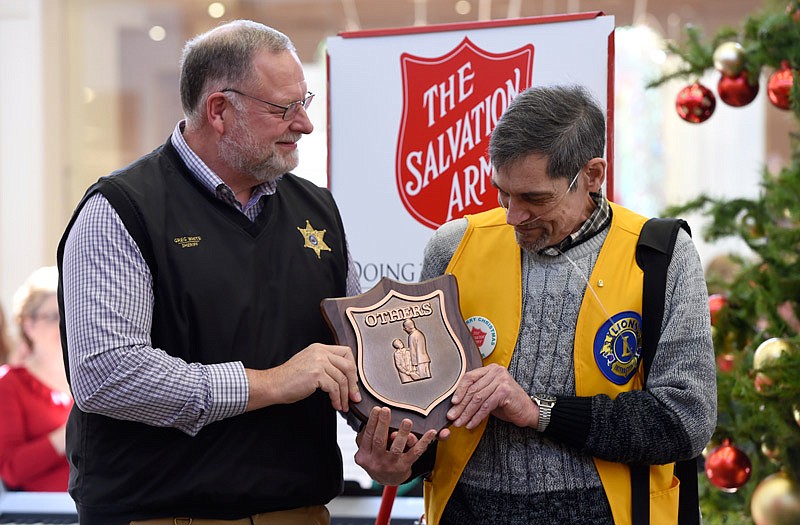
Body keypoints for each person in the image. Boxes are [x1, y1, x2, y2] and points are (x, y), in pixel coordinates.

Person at [354, 85, 717, 525]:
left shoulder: (658, 255)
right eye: (502, 193)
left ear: (593, 175)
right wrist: (399, 459)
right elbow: (428, 410)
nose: (512, 216)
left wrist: (541, 411)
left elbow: (686, 420)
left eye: (535, 198)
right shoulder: (453, 247)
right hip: (464, 512)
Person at [57, 20, 361, 525]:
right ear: (219, 110)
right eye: (284, 108)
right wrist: (269, 383)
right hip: (161, 515)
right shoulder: (122, 210)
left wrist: (386, 434)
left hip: (299, 511)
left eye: (303, 101)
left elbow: (352, 352)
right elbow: (107, 374)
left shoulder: (318, 210)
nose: (305, 123)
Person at [0, 266, 72, 491]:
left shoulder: (90, 377)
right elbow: (10, 471)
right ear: (28, 325)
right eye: (54, 316)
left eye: (70, 314)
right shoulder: (9, 385)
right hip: (42, 512)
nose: (65, 324)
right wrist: (67, 436)